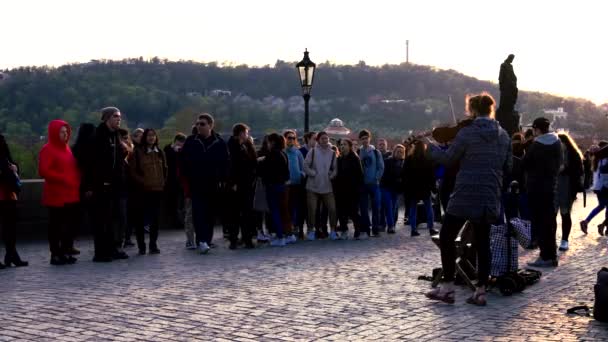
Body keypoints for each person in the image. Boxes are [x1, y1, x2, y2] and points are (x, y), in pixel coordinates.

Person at [424, 93, 511, 306]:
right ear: (491, 110)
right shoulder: (504, 136)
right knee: (483, 243)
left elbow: (447, 159)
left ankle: (448, 288)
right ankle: (480, 291)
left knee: (446, 236)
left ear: (472, 111)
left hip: (465, 194)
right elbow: (508, 167)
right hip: (489, 194)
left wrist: (430, 147)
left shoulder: (466, 133)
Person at [181, 113, 229, 254]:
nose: (199, 126)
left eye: (202, 124)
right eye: (197, 124)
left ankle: (207, 240)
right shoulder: (191, 141)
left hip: (213, 184)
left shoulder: (219, 143)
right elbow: (183, 162)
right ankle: (201, 240)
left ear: (210, 125)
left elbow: (226, 163)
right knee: (198, 213)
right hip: (196, 183)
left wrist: (223, 180)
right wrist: (188, 178)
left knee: (210, 214)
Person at [39, 120, 82, 265]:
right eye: (62, 132)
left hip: (70, 193)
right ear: (54, 133)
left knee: (69, 225)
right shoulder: (48, 149)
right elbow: (44, 171)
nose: (65, 134)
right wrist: (63, 178)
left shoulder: (67, 149)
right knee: (56, 226)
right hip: (56, 195)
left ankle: (65, 251)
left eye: (66, 132)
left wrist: (76, 180)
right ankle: (55, 254)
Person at [91, 107, 130, 262]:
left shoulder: (116, 135)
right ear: (107, 118)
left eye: (119, 116)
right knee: (102, 220)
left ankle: (112, 248)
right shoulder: (98, 135)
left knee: (114, 219)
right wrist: (101, 180)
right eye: (115, 116)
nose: (118, 119)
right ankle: (100, 252)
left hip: (116, 184)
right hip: (103, 184)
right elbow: (95, 162)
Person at [524, 117, 563, 267]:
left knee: (540, 222)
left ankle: (544, 256)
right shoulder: (557, 142)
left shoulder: (536, 144)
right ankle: (551, 255)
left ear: (537, 129)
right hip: (550, 186)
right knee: (550, 221)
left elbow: (526, 163)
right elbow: (559, 162)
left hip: (536, 187)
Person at [129, 129, 167, 255]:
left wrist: (162, 182)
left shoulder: (160, 152)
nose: (151, 138)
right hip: (142, 191)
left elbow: (165, 170)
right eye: (149, 135)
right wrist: (143, 182)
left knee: (155, 220)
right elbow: (133, 171)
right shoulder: (138, 152)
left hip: (157, 190)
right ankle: (141, 246)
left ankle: (153, 244)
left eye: (153, 135)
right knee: (140, 220)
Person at [226, 123, 257, 249]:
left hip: (247, 184)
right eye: (246, 132)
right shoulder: (232, 146)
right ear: (240, 133)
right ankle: (234, 239)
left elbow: (252, 162)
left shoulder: (247, 145)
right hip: (236, 184)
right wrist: (232, 182)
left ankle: (247, 238)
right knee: (235, 213)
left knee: (247, 213)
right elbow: (231, 165)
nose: (247, 135)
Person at [303, 131, 339, 240]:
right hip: (313, 186)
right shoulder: (313, 151)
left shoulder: (332, 153)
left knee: (332, 209)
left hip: (327, 186)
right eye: (323, 138)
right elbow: (305, 166)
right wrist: (313, 173)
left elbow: (335, 168)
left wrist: (332, 176)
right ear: (318, 140)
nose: (325, 140)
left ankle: (332, 230)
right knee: (312, 210)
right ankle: (310, 231)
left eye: (326, 138)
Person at [0, 134, 28, 268]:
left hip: (8, 194)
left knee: (10, 228)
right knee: (8, 227)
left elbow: (11, 165)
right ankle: (11, 255)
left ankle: (11, 254)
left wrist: (14, 169)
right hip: (5, 193)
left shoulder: (4, 157)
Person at [259, 133, 291, 246]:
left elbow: (264, 171)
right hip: (282, 185)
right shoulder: (283, 153)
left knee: (275, 212)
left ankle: (280, 236)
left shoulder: (272, 154)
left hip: (272, 186)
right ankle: (285, 235)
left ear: (272, 142)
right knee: (281, 211)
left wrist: (260, 162)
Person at [555, 132, 584, 251]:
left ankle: (565, 240)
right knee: (551, 216)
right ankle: (552, 241)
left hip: (567, 188)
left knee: (565, 214)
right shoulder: (554, 153)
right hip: (554, 188)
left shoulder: (574, 155)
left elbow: (578, 172)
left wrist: (565, 169)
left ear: (565, 143)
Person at [71, 123, 97, 254]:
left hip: (79, 186)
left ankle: (69, 243)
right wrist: (88, 187)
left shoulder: (75, 148)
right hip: (86, 186)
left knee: (76, 217)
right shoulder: (89, 149)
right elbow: (87, 170)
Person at [403, 140, 436, 236]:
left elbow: (405, 174)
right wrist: (433, 188)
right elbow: (432, 176)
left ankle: (413, 230)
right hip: (425, 187)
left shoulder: (409, 159)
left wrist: (406, 188)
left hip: (413, 188)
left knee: (413, 209)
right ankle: (431, 228)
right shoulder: (428, 159)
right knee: (429, 208)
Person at [335, 139, 364, 239]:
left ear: (350, 146)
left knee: (353, 212)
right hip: (341, 190)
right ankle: (344, 230)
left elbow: (360, 175)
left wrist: (357, 190)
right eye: (341, 145)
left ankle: (358, 231)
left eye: (345, 144)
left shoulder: (355, 158)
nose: (342, 146)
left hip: (352, 190)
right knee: (341, 212)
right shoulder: (339, 159)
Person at [358, 130, 385, 237]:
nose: (365, 140)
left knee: (376, 207)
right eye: (363, 138)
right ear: (360, 140)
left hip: (374, 184)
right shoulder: (358, 152)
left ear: (370, 138)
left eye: (366, 138)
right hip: (363, 185)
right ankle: (366, 228)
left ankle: (375, 228)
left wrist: (376, 178)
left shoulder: (375, 152)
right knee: (363, 208)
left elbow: (381, 167)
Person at [581, 141, 608, 236]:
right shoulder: (603, 159)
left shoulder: (596, 159)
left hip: (599, 186)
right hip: (603, 186)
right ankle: (603, 225)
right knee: (604, 206)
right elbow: (604, 172)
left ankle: (586, 221)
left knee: (602, 206)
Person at [284, 130, 306, 240]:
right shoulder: (282, 152)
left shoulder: (298, 152)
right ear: (285, 139)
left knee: (297, 207)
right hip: (286, 185)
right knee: (287, 207)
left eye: (293, 138)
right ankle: (289, 228)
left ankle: (297, 227)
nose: (291, 140)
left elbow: (303, 167)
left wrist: (302, 174)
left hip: (297, 184)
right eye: (289, 137)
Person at [380, 144, 406, 234]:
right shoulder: (387, 161)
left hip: (396, 188)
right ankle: (390, 226)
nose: (400, 153)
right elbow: (383, 174)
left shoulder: (404, 163)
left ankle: (392, 225)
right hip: (386, 187)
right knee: (388, 206)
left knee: (394, 207)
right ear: (394, 152)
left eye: (402, 152)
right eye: (398, 151)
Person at [163, 133, 187, 230]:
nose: (181, 145)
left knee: (181, 204)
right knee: (175, 204)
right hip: (173, 181)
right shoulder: (168, 149)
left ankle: (180, 222)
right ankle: (177, 222)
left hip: (181, 181)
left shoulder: (182, 150)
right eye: (180, 142)